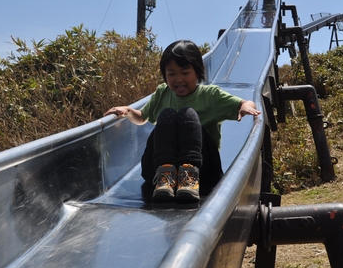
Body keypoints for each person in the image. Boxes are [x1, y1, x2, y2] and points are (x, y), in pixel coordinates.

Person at [104, 40, 260, 202]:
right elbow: (142, 117)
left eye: (185, 73)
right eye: (171, 74)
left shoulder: (210, 95)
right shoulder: (162, 93)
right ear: (165, 75)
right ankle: (165, 175)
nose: (178, 79)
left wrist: (246, 107)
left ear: (198, 72)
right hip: (157, 172)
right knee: (167, 114)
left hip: (202, 170)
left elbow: (245, 103)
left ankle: (188, 176)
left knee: (188, 114)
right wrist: (128, 111)